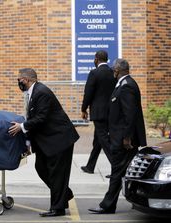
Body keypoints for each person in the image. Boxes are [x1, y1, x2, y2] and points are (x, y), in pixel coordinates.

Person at [8, 68, 79, 217]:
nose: (18, 82)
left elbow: (41, 118)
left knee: (56, 173)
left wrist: (21, 127)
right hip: (47, 140)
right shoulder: (33, 93)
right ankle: (64, 194)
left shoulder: (41, 92)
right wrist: (28, 144)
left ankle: (58, 208)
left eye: (19, 79)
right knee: (41, 168)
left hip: (59, 139)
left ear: (27, 80)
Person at [89, 59, 146, 214]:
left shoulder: (127, 86)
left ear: (118, 70)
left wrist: (127, 137)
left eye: (114, 69)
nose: (113, 71)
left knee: (117, 173)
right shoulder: (123, 83)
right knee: (126, 172)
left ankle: (107, 205)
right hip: (119, 137)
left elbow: (130, 115)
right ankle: (133, 200)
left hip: (123, 140)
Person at [81, 50, 116, 175]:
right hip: (111, 111)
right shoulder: (113, 72)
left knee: (104, 139)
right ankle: (90, 166)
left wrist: (83, 109)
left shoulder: (94, 73)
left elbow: (88, 93)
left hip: (98, 112)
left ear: (96, 59)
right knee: (98, 139)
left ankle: (116, 167)